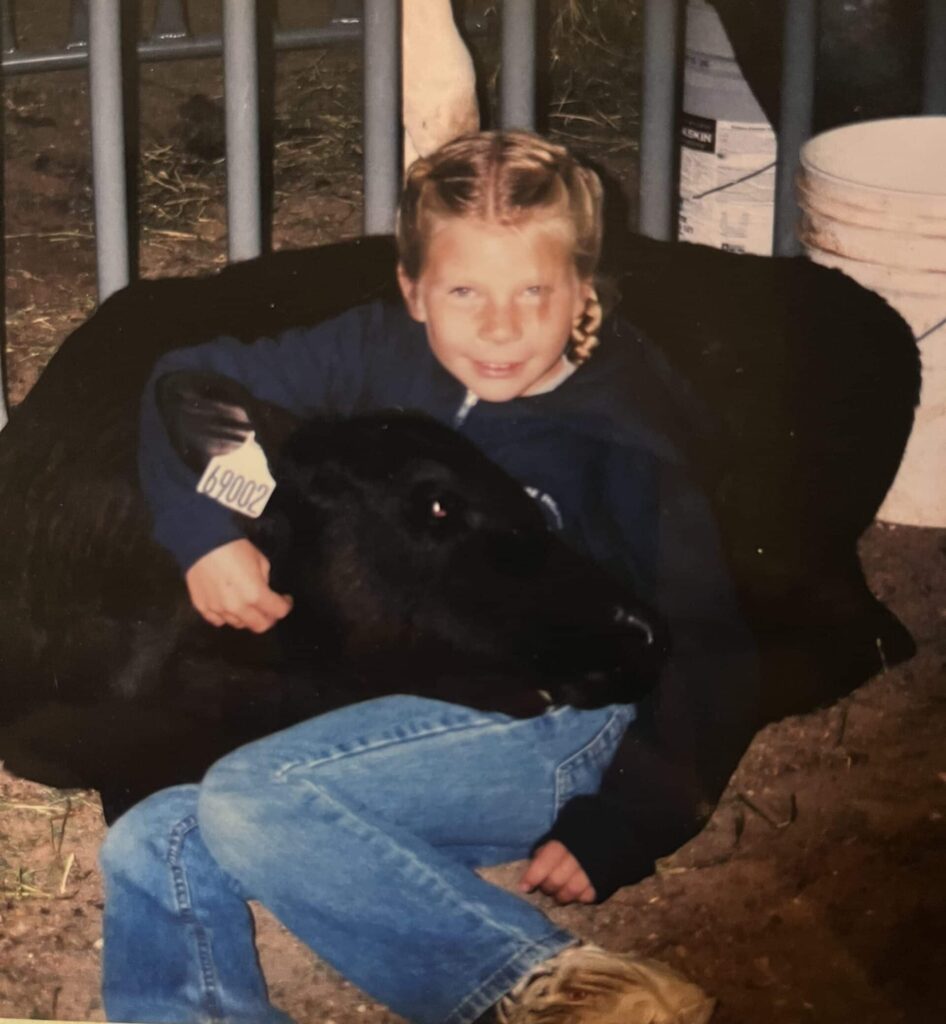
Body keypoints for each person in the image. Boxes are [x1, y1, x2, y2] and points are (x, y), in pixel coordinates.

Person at [100, 131, 756, 1024]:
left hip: (554, 723)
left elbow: (706, 637)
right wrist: (201, 533)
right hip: (403, 717)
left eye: (534, 291)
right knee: (155, 836)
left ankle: (544, 989)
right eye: (464, 291)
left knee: (255, 797)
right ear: (412, 291)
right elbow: (186, 383)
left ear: (585, 290)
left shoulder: (623, 429)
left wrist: (626, 822)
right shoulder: (384, 348)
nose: (500, 327)